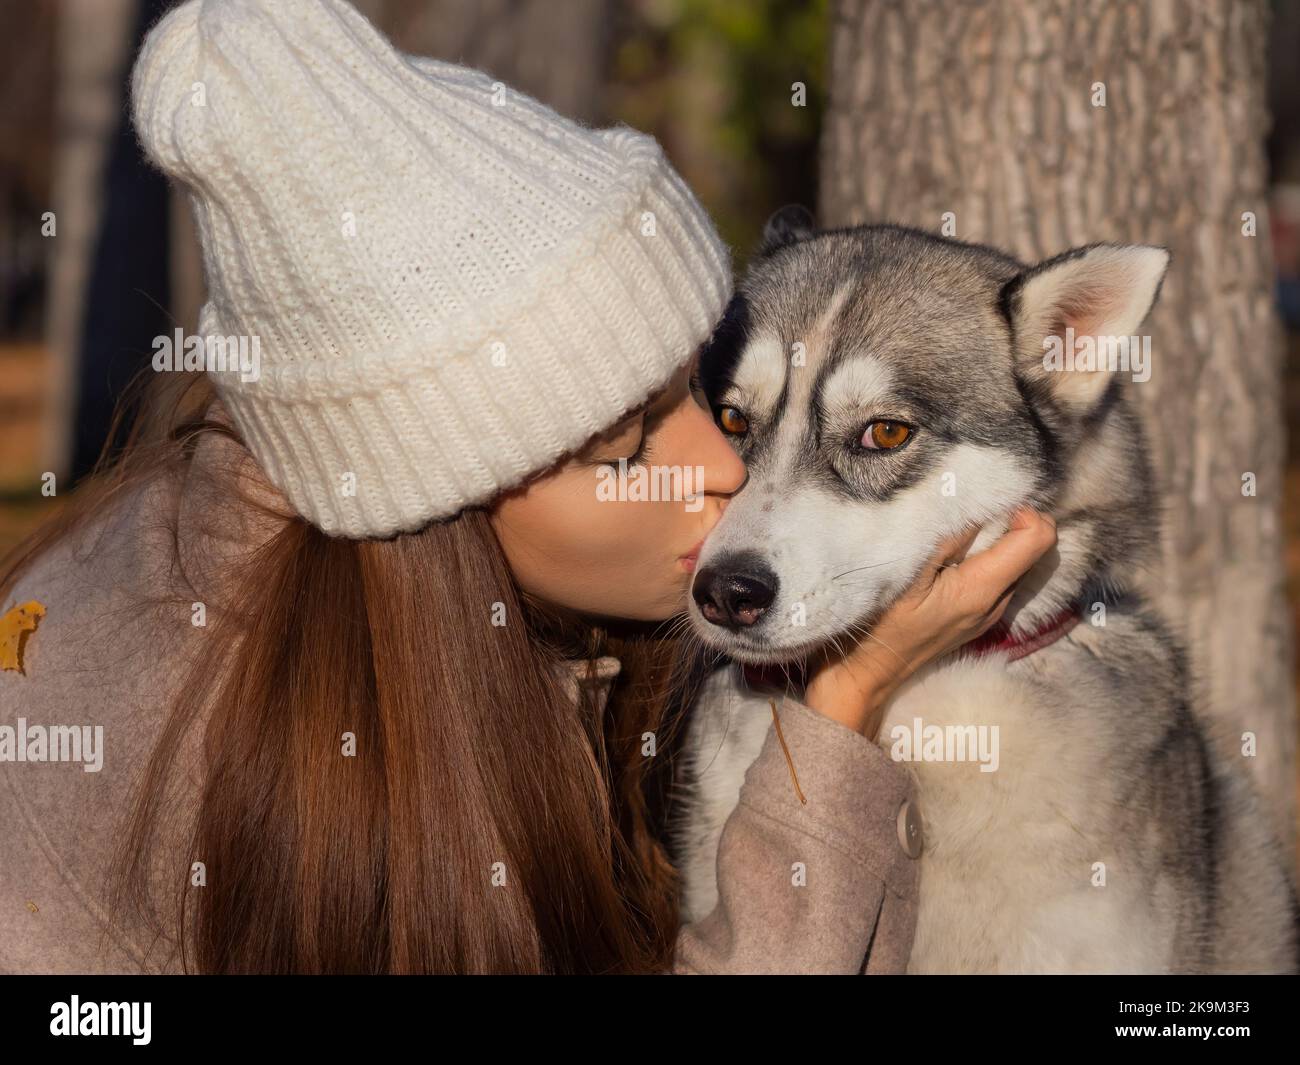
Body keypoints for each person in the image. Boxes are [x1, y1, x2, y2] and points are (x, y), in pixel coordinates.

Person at [0, 0, 1057, 974]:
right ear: (436, 499)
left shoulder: (365, 565)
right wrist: (839, 715)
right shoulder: (190, 757)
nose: (726, 470)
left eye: (705, 394)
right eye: (627, 449)